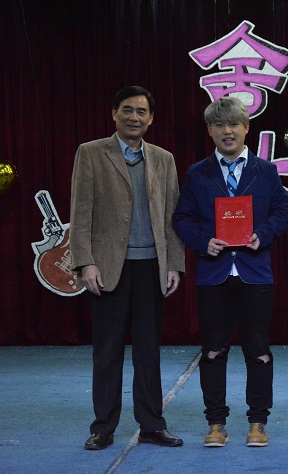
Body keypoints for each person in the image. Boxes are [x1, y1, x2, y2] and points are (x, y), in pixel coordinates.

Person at [172, 97, 288, 448]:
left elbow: (284, 214)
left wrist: (262, 234)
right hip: (214, 275)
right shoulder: (198, 172)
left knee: (258, 350)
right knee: (212, 351)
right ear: (210, 131)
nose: (228, 131)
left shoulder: (265, 171)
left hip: (255, 274)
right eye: (220, 125)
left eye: (234, 124)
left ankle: (258, 422)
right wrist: (203, 242)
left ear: (246, 128)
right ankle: (216, 423)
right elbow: (181, 218)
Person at [70, 86, 186, 450]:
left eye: (141, 112)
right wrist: (85, 262)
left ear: (151, 119)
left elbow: (172, 216)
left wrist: (174, 264)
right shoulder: (91, 152)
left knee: (148, 351)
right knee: (107, 352)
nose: (134, 117)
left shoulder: (164, 158)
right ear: (114, 113)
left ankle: (152, 425)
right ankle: (103, 427)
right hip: (108, 269)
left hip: (152, 267)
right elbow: (80, 212)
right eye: (127, 110)